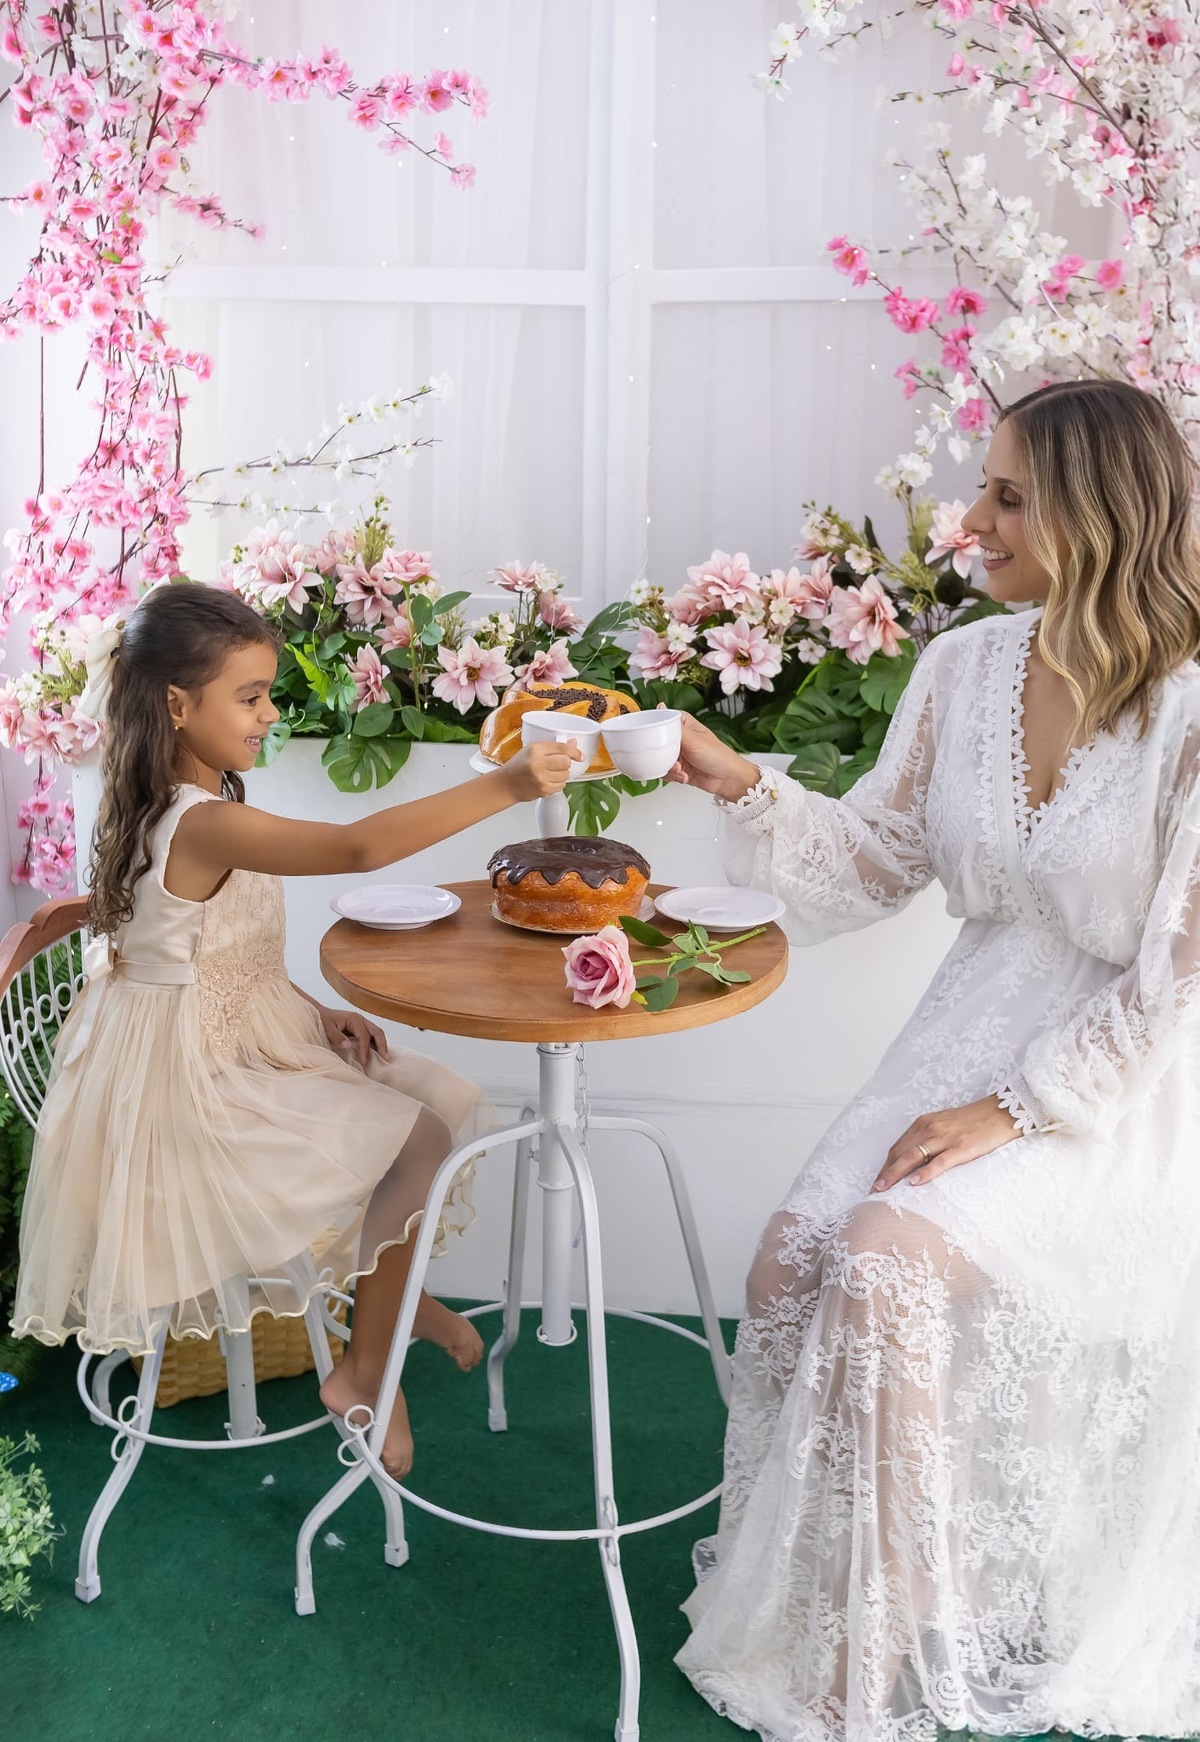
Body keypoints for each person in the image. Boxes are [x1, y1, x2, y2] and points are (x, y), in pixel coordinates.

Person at [669, 379, 1200, 1738]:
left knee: (890, 1260)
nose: (973, 520)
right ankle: (819, 1595)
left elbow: (1177, 977)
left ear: (1101, 512)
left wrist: (1015, 1107)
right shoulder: (964, 669)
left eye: (1010, 493)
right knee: (790, 1262)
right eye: (988, 485)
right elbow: (875, 863)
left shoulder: (1193, 711)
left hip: (1118, 1086)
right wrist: (730, 774)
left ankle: (880, 1646)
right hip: (964, 1025)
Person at [12, 582, 578, 1478]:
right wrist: (505, 786)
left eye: (270, 692)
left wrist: (318, 1010)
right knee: (418, 1138)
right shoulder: (204, 820)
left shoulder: (193, 794)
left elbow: (206, 947)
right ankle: (362, 1369)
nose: (270, 713)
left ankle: (385, 1303)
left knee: (427, 1088)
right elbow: (355, 849)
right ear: (176, 704)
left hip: (237, 1031)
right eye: (250, 696)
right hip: (185, 1089)